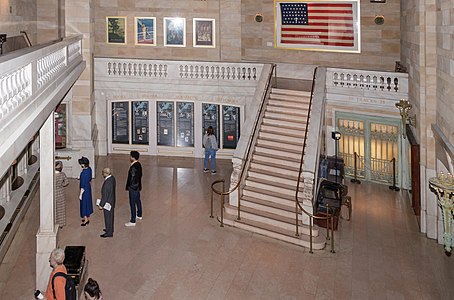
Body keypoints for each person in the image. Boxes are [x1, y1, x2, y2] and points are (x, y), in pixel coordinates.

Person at [125, 151, 142, 227]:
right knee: (138, 201)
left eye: (130, 156)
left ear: (133, 157)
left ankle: (133, 220)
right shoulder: (139, 165)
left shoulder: (133, 167)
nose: (130, 157)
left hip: (133, 188)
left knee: (132, 203)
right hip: (137, 187)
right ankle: (139, 214)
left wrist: (130, 187)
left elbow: (132, 178)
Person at [98, 167, 116, 238]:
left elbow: (105, 196)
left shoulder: (107, 184)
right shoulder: (112, 178)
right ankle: (109, 229)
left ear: (105, 174)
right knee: (110, 217)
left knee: (108, 217)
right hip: (112, 201)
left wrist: (101, 205)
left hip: (107, 203)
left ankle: (109, 232)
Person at [78, 156, 93, 226]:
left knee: (83, 204)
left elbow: (82, 185)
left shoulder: (83, 173)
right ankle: (87, 215)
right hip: (88, 188)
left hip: (84, 190)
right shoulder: (89, 169)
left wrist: (80, 194)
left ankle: (85, 219)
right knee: (87, 203)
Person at [55, 161, 69, 228]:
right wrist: (61, 185)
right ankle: (61, 224)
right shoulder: (62, 174)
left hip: (53, 193)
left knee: (53, 208)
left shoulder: (52, 175)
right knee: (61, 209)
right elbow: (66, 182)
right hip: (60, 192)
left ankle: (54, 222)